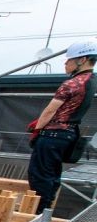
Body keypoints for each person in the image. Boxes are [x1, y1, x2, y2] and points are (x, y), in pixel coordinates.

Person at [27, 41, 97, 211]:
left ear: (82, 59)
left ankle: (36, 214)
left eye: (69, 60)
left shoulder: (72, 83)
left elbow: (50, 110)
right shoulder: (91, 81)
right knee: (52, 175)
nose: (66, 63)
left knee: (39, 176)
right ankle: (45, 211)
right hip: (68, 134)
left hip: (53, 134)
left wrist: (37, 130)